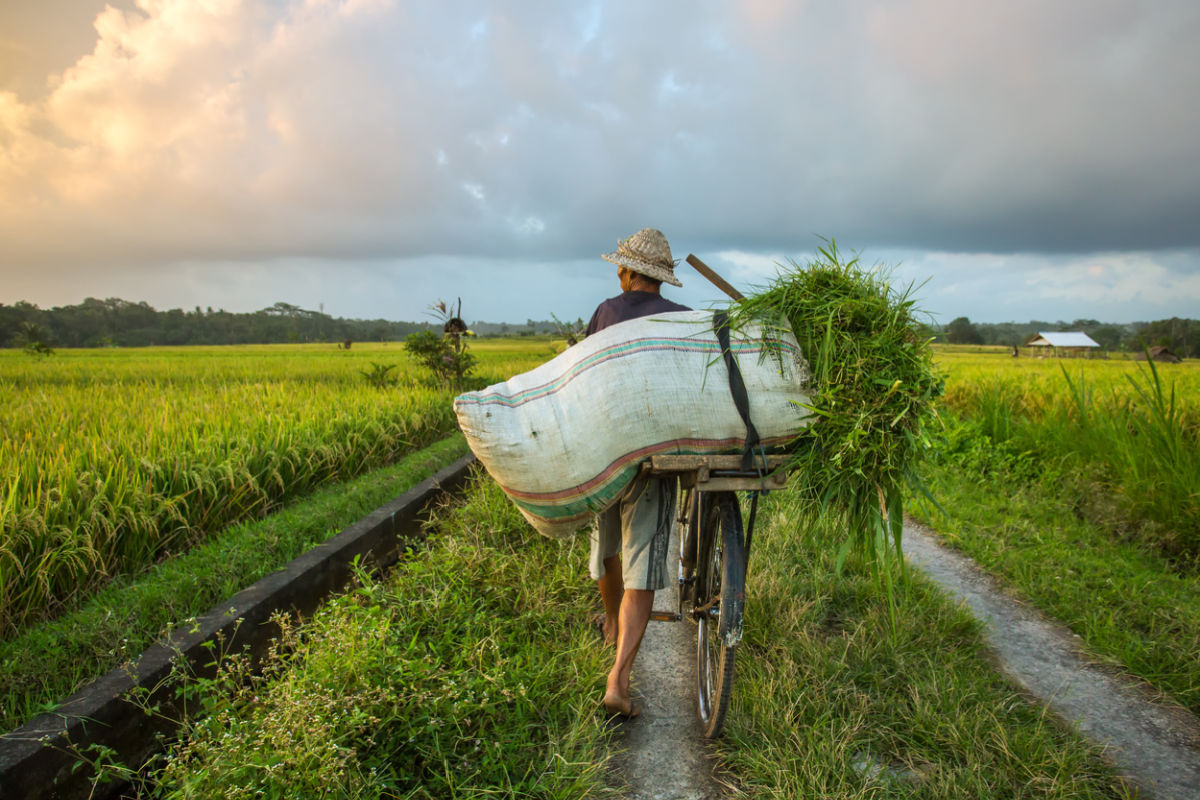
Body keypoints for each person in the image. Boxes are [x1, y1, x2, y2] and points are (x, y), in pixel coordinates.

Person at [585, 227, 689, 718]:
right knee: (642, 564)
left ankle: (610, 618)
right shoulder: (687, 322)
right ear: (661, 280)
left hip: (608, 454)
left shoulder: (606, 311)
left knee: (608, 547)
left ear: (629, 273)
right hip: (657, 455)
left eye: (620, 269)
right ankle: (620, 678)